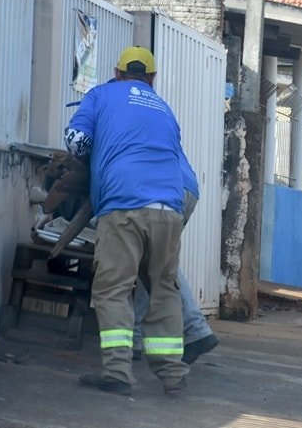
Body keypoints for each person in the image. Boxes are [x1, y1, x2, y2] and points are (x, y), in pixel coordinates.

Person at [65, 46, 190, 395]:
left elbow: (75, 142)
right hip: (169, 207)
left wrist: (100, 156)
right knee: (164, 291)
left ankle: (118, 372)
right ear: (152, 78)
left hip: (122, 204)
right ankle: (173, 376)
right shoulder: (165, 109)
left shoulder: (101, 94)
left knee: (114, 290)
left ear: (118, 72)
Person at [132, 153, 219, 365]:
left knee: (157, 261)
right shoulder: (157, 120)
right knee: (155, 261)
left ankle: (196, 329)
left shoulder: (109, 126)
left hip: (161, 190)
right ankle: (135, 339)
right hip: (186, 188)